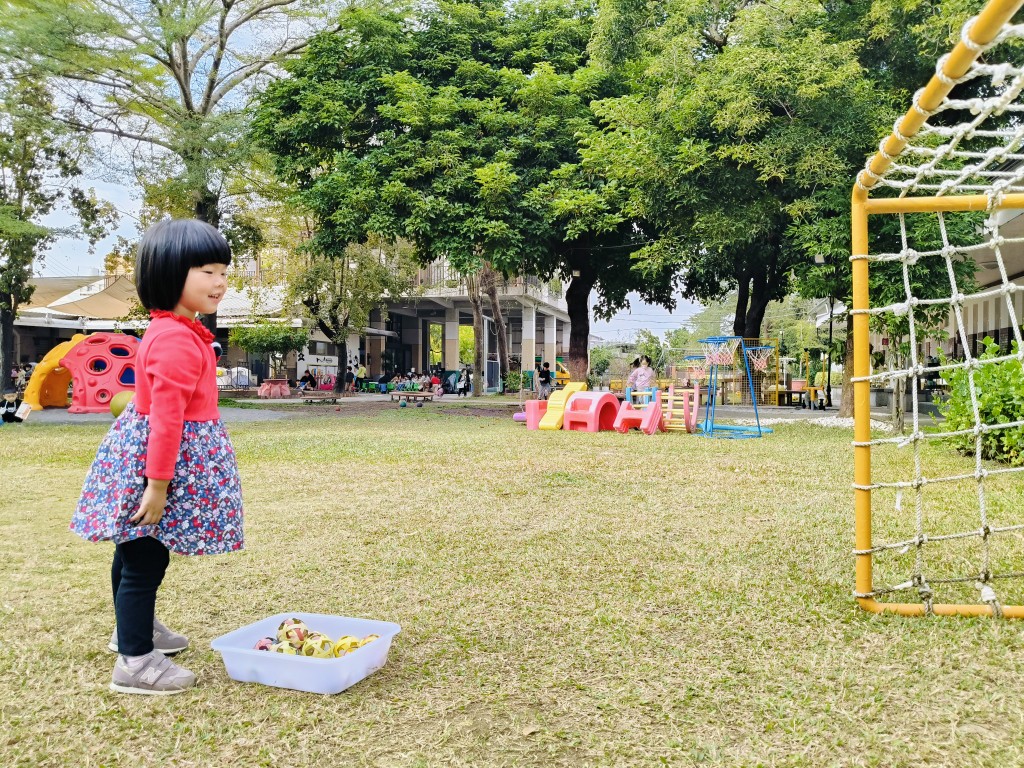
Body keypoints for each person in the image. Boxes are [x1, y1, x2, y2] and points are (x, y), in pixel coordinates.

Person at [69, 219, 244, 696]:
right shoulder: (174, 340)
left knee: (133, 550)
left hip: (152, 461)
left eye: (223, 271)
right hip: (157, 466)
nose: (220, 282)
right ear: (169, 273)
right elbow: (168, 420)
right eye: (207, 271)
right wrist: (158, 486)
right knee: (145, 559)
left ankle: (133, 630)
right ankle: (135, 661)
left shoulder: (176, 330)